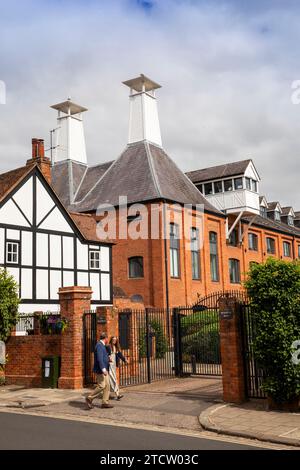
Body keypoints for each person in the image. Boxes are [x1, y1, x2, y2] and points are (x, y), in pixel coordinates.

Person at [85, 332, 113, 409]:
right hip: (101, 370)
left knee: (107, 385)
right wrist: (103, 369)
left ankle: (105, 402)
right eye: (107, 338)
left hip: (104, 369)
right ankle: (89, 398)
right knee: (102, 386)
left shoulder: (102, 346)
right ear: (106, 338)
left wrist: (108, 359)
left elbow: (103, 357)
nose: (108, 340)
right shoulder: (99, 346)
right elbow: (100, 359)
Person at [106, 336, 127, 400]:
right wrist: (108, 357)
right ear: (111, 340)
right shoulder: (108, 346)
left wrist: (124, 360)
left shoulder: (116, 347)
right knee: (112, 379)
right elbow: (105, 354)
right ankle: (117, 394)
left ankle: (112, 394)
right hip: (109, 365)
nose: (114, 341)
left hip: (113, 365)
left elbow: (120, 354)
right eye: (113, 340)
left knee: (112, 379)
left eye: (115, 340)